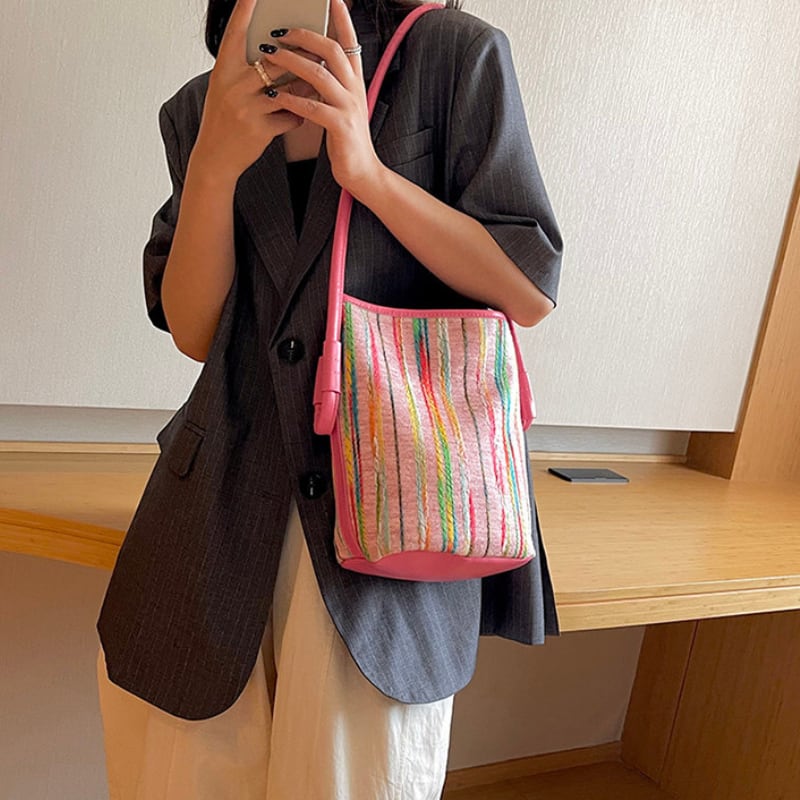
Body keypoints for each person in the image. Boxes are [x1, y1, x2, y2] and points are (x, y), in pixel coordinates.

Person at [95, 0, 563, 797]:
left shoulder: (450, 56)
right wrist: (213, 167)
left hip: (394, 524)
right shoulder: (203, 103)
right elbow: (196, 331)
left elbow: (527, 287)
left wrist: (368, 172)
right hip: (211, 526)